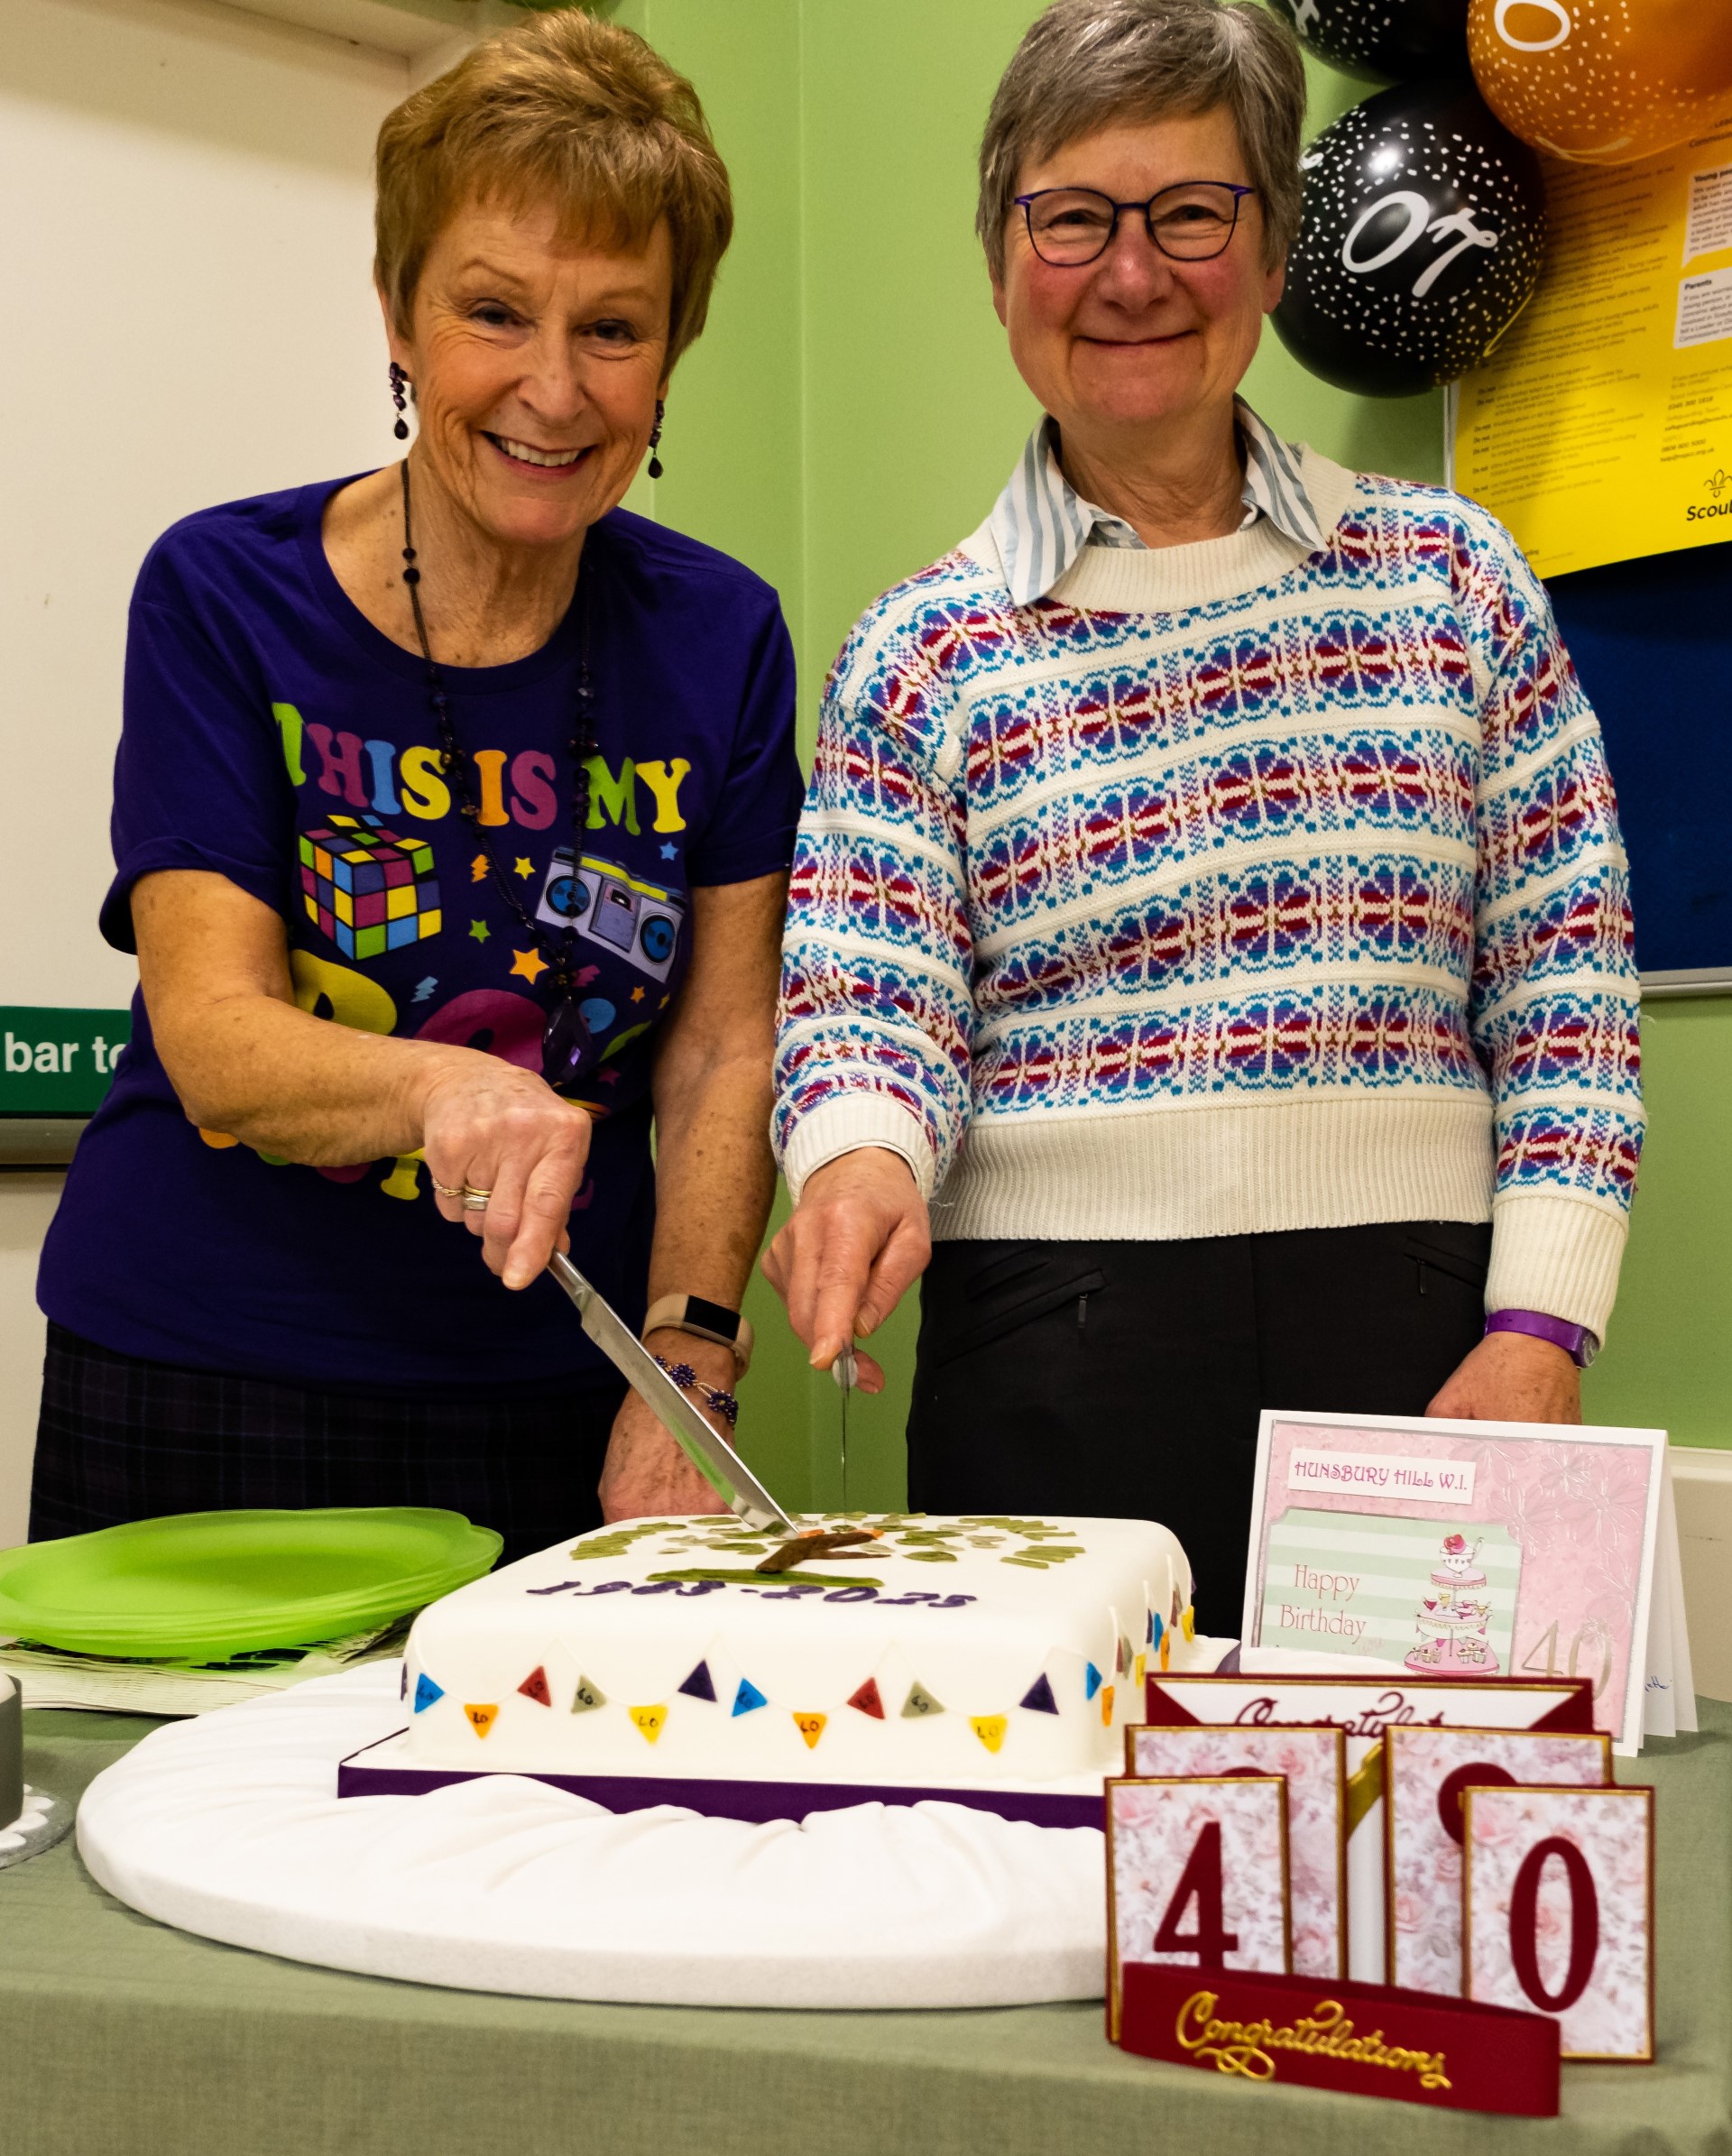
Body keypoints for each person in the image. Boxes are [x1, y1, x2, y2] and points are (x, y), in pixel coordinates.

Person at [764, 0, 1642, 1627]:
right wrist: (858, 1162)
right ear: (1000, 258)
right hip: (1044, 1362)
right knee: (1058, 1863)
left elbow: (1568, 993)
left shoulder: (1454, 582)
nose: (1132, 271)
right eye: (1074, 216)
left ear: (1274, 246)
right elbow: (863, 1002)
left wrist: (1539, 1327)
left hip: (1427, 1348)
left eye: (1191, 211)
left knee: (1401, 1853)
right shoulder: (919, 646)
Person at [32, 14, 803, 1560]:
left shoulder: (724, 634)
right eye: (494, 312)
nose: (555, 389)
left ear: (674, 348)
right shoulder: (220, 595)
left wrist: (691, 1348)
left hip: (566, 1394)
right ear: (397, 314)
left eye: (615, 327)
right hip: (206, 1371)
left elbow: (724, 1044)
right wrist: (446, 1082)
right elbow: (216, 1038)